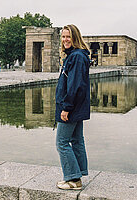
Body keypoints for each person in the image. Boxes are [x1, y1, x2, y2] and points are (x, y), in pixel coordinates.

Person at [55, 24, 90, 190]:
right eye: (63, 37)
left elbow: (75, 86)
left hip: (71, 107)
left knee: (61, 142)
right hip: (76, 107)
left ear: (76, 37)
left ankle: (74, 179)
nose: (65, 40)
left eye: (68, 37)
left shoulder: (76, 56)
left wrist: (66, 107)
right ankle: (78, 174)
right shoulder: (75, 55)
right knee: (76, 140)